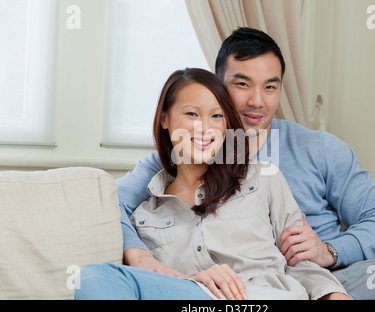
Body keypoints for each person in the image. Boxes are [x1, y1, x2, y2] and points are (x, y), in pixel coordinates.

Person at [117, 27, 375, 300]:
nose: (256, 101)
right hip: (257, 287)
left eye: (270, 87)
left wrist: (329, 251)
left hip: (338, 277)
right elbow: (112, 206)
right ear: (218, 86)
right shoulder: (177, 161)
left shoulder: (318, 148)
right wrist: (140, 256)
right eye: (242, 84)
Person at [75, 68, 350, 300]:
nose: (204, 127)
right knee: (93, 277)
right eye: (192, 114)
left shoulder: (263, 179)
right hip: (196, 300)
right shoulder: (145, 217)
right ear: (165, 120)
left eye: (216, 116)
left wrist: (335, 296)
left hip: (264, 297)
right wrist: (193, 281)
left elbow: (301, 263)